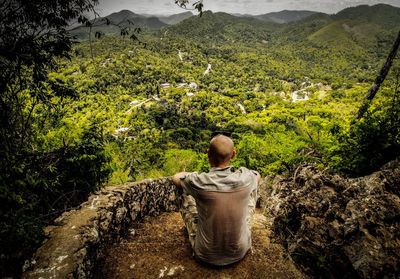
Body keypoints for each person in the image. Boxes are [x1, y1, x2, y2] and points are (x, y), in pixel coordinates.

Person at [172, 134, 261, 266]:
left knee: (181, 189)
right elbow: (257, 175)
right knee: (251, 191)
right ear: (233, 154)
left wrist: (191, 175)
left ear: (208, 154)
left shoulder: (199, 181)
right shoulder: (246, 177)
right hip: (240, 251)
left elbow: (176, 177)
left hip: (205, 254)